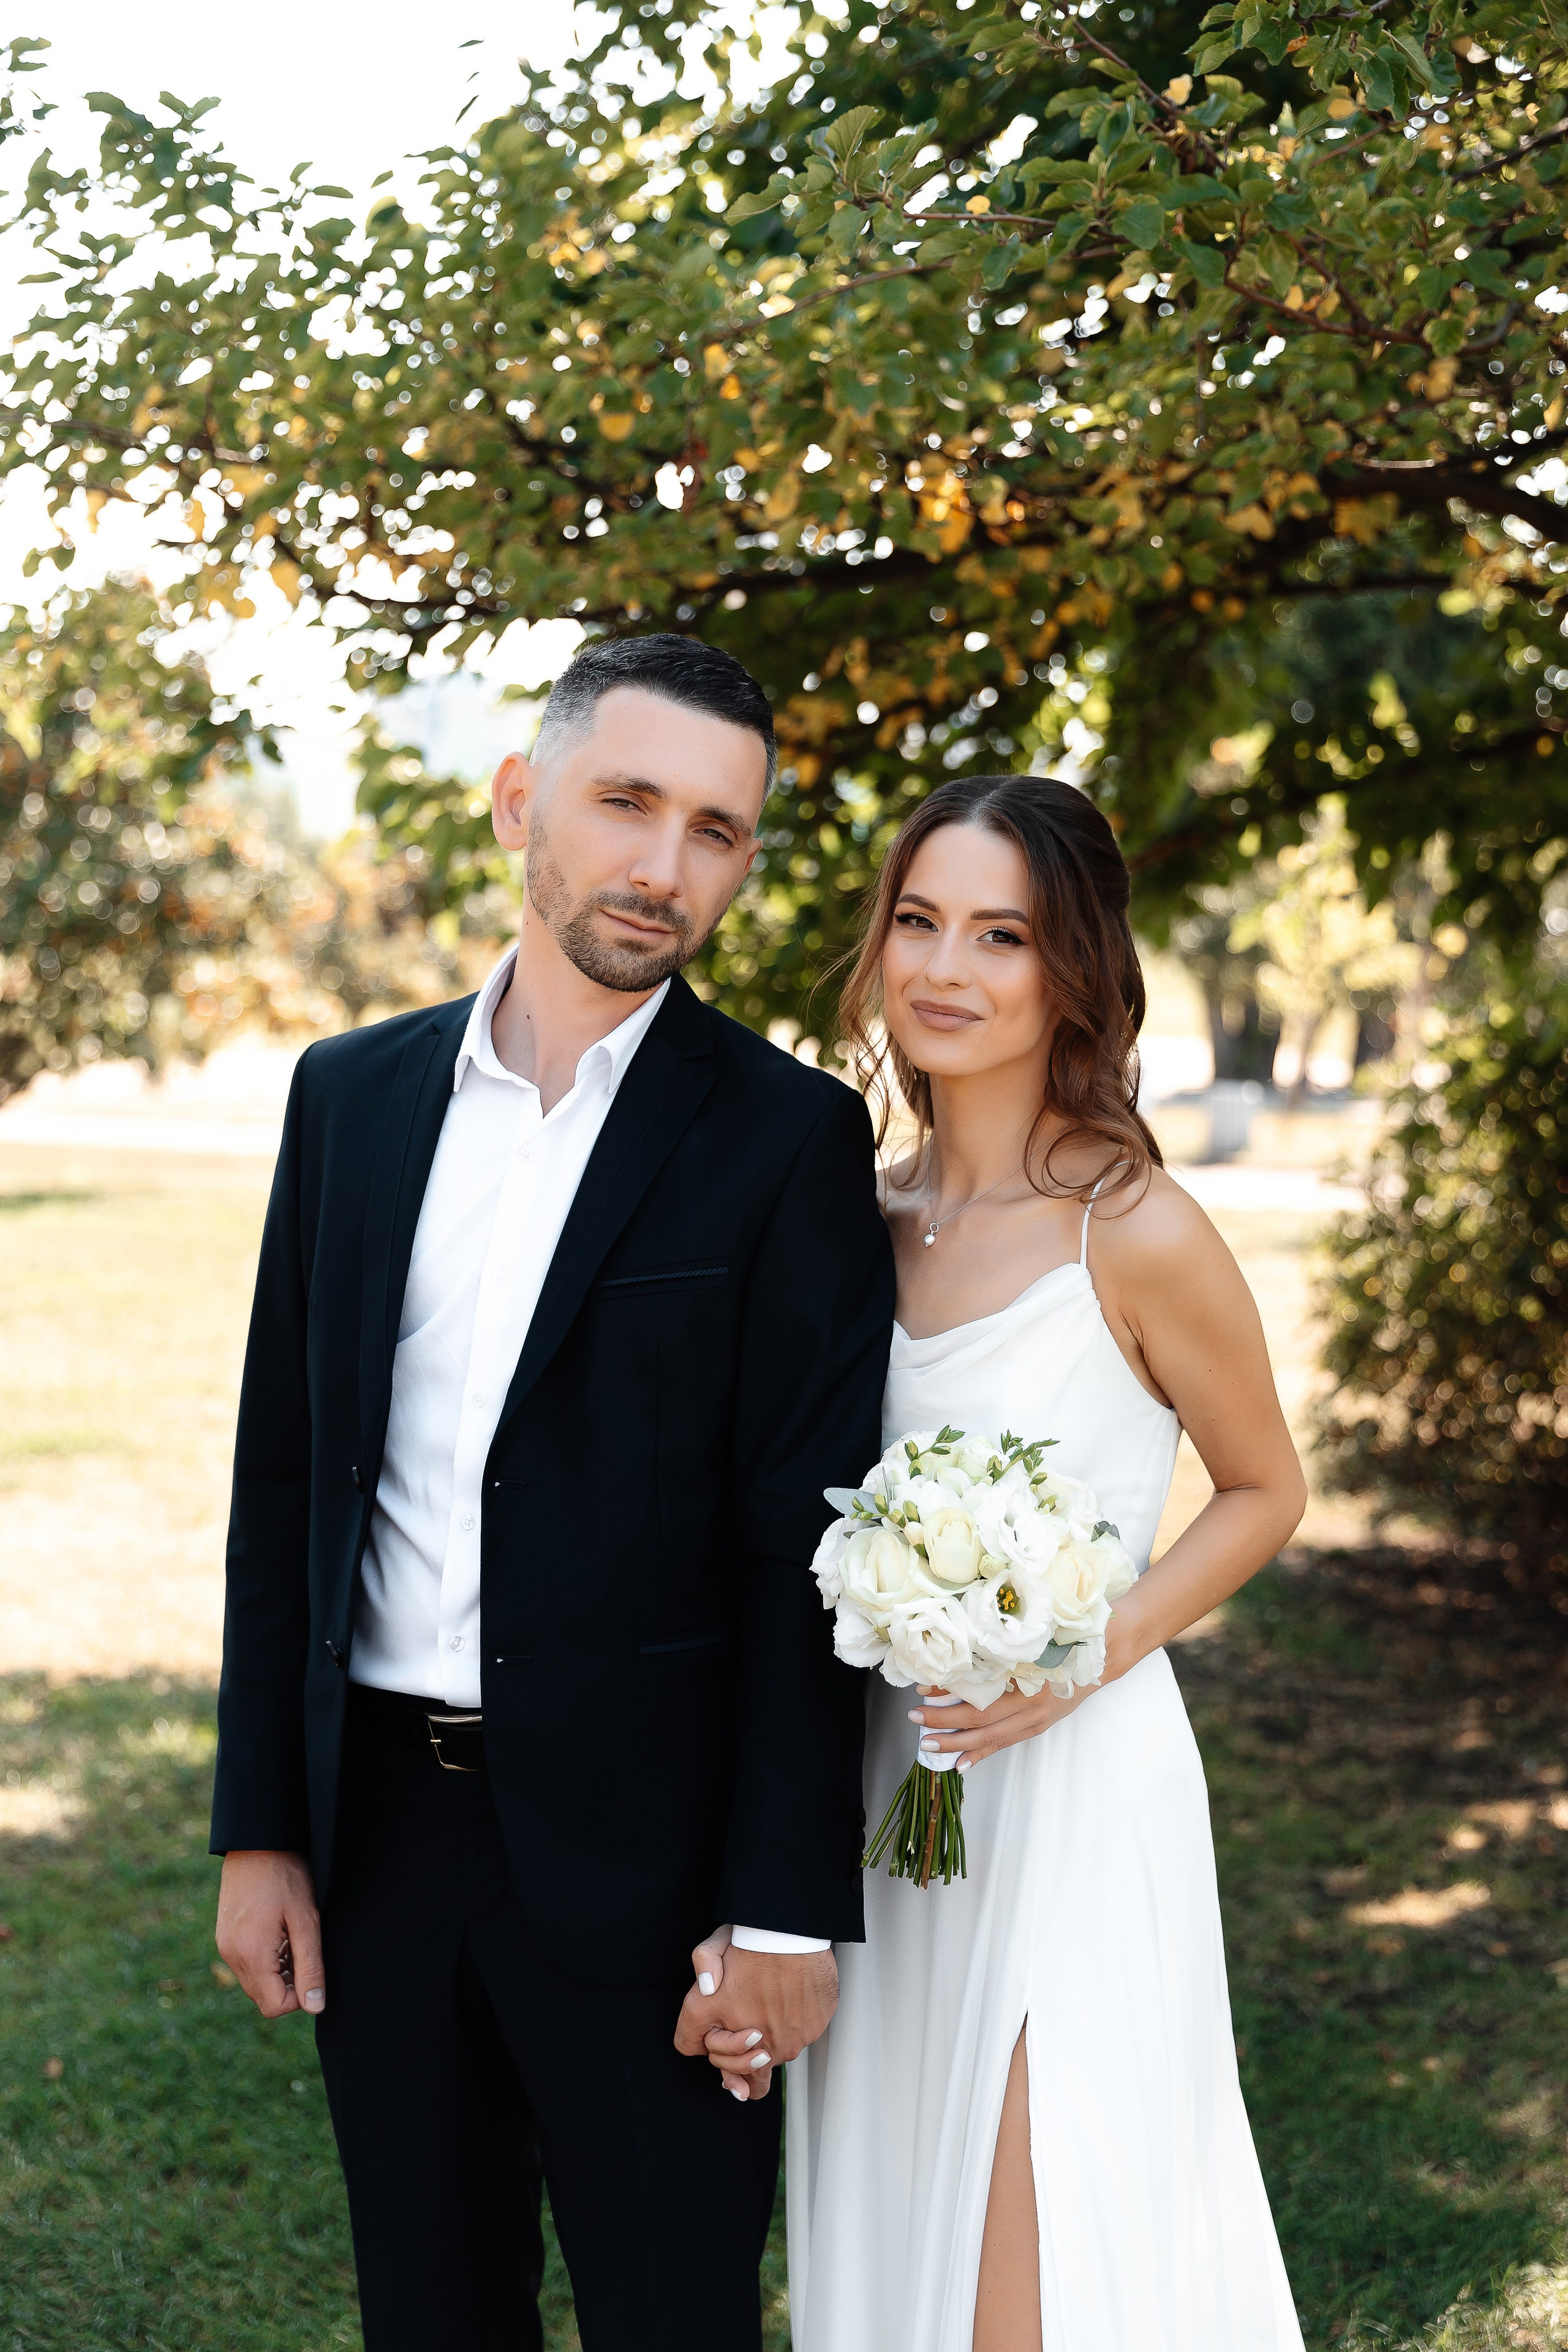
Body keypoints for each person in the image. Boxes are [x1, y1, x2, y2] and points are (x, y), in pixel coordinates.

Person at [210, 634, 895, 2352]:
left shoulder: (787, 1137)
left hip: (655, 1868)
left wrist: (783, 1905)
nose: (667, 867)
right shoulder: (349, 1098)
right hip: (381, 1834)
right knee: (430, 2313)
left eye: (720, 832)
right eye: (630, 804)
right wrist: (262, 1826)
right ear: (526, 802)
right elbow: (286, 1477)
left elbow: (800, 1547)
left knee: (672, 2315)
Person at [766, 774, 1308, 2351]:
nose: (947, 967)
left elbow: (1265, 1491)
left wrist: (1082, 1654)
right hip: (890, 1785)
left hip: (1074, 1787)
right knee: (896, 2193)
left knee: (1038, 2215)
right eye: (919, 921)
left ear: (1072, 970)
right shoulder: (861, 1218)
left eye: (999, 934)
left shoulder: (1131, 1226)